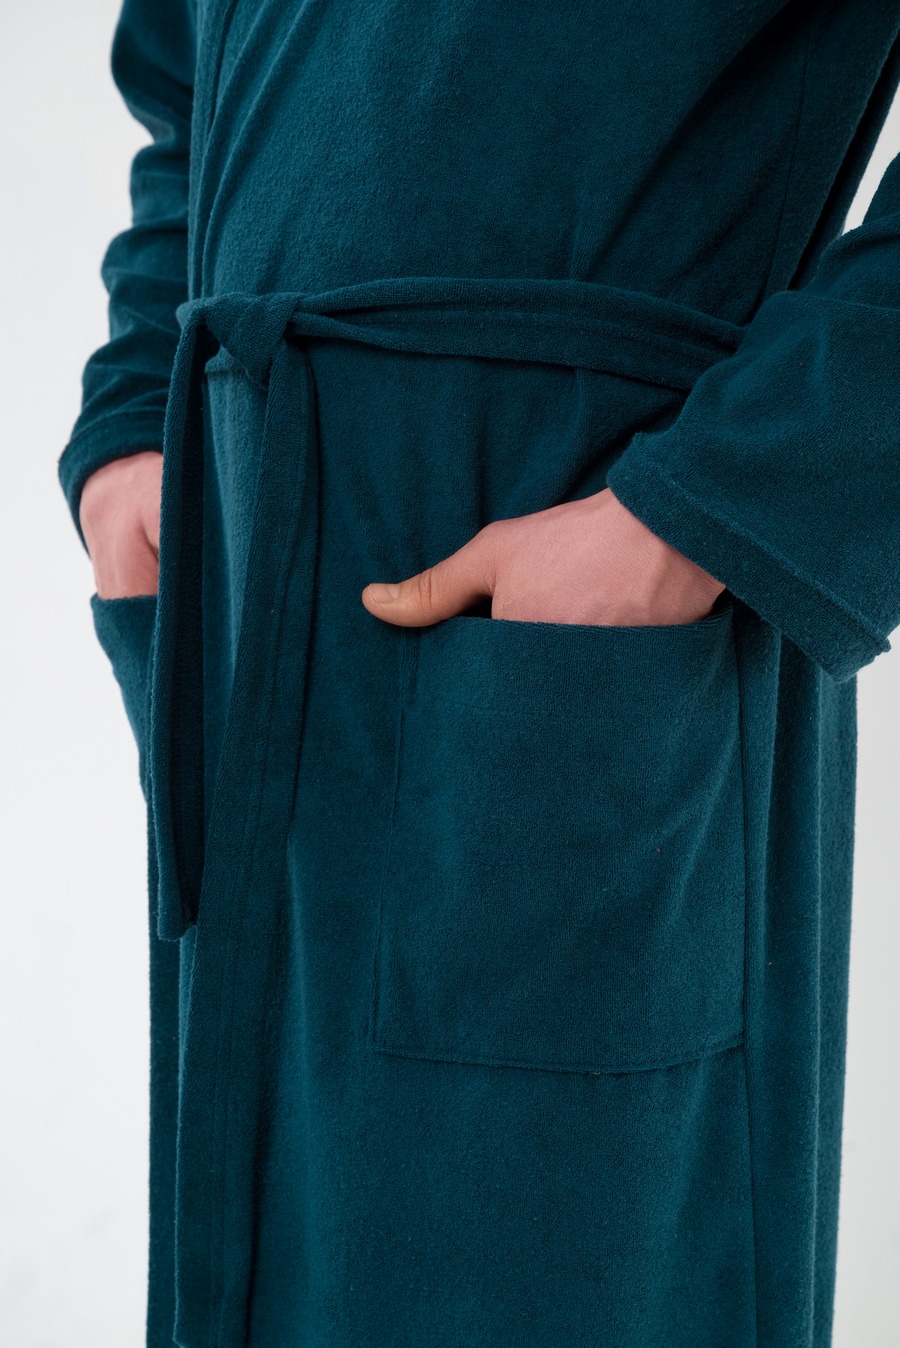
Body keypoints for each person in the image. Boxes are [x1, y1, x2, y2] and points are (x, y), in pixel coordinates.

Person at [61, 2, 900, 1344]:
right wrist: (131, 418)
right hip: (254, 544)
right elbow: (180, 71)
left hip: (579, 549)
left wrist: (718, 502)